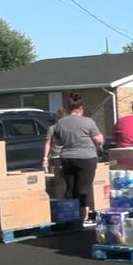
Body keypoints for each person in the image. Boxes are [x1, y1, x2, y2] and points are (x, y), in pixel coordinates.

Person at [54, 93, 104, 224]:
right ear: (81, 108)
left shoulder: (60, 122)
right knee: (84, 188)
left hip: (67, 158)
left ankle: (70, 216)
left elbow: (58, 142)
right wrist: (97, 147)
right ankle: (84, 217)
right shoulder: (88, 121)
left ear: (68, 109)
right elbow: (99, 139)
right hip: (86, 158)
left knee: (70, 188)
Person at [42, 108, 67, 198]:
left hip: (65, 156)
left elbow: (48, 143)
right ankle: (60, 197)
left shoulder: (67, 128)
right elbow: (48, 143)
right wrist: (45, 158)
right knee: (59, 179)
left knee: (62, 179)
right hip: (56, 156)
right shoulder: (52, 129)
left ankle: (63, 196)